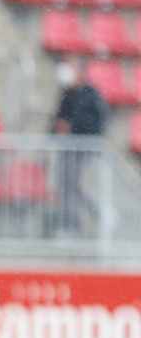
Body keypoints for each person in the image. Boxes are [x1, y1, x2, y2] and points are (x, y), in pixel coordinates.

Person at [50, 58, 108, 235]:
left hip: (83, 150)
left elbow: (96, 123)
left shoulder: (91, 95)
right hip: (66, 149)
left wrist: (72, 128)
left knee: (76, 186)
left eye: (72, 68)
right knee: (65, 186)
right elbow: (57, 120)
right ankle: (70, 225)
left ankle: (79, 222)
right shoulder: (66, 95)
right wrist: (56, 130)